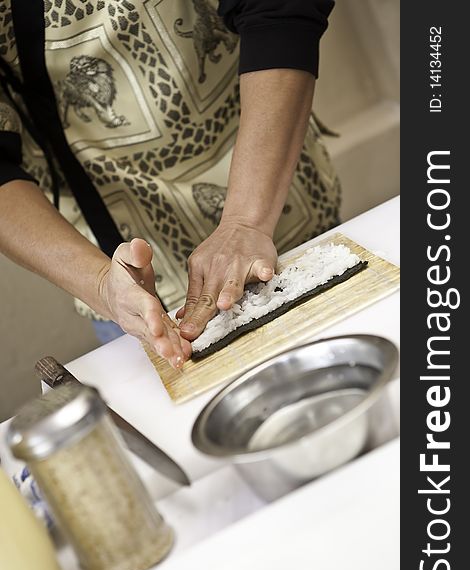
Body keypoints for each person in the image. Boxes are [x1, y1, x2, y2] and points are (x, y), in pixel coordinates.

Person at [0, 0, 339, 368]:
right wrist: (102, 285)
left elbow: (277, 9)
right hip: (118, 276)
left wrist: (247, 219)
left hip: (277, 197)